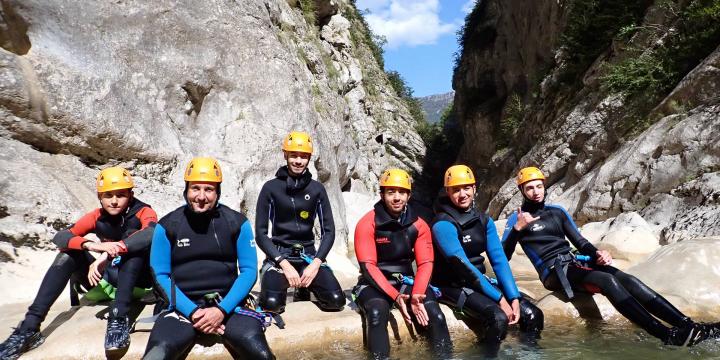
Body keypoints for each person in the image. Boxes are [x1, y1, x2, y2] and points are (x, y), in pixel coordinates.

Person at [502, 166, 720, 346]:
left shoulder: (557, 212)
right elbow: (503, 256)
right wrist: (517, 230)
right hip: (553, 273)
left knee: (628, 279)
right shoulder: (517, 219)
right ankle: (666, 335)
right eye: (529, 188)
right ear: (522, 190)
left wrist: (598, 254)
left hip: (575, 264)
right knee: (606, 280)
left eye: (539, 186)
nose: (536, 191)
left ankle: (688, 325)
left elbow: (580, 242)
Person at [0, 167, 157, 359]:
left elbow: (150, 233)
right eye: (108, 195)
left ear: (131, 195)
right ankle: (29, 328)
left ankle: (119, 318)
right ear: (100, 196)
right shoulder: (96, 216)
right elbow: (62, 236)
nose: (114, 201)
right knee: (67, 254)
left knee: (134, 251)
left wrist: (114, 249)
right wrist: (93, 246)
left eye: (121, 195)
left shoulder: (143, 211)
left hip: (138, 280)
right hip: (109, 278)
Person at [143, 157, 274, 360]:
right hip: (180, 309)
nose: (201, 196)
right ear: (186, 190)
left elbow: (248, 272)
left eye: (209, 189)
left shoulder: (236, 223)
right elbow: (159, 275)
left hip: (229, 307)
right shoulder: (168, 226)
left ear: (218, 192)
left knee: (261, 355)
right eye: (195, 188)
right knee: (156, 356)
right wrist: (193, 311)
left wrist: (221, 310)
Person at [431, 165, 543, 356]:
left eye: (467, 188)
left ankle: (528, 354)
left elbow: (499, 261)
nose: (462, 194)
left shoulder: (483, 220)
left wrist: (513, 297)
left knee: (533, 315)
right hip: (452, 285)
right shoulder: (442, 224)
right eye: (456, 190)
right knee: (498, 319)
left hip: (477, 281)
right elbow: (464, 267)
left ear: (474, 189)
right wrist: (500, 299)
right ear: (447, 192)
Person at [353, 169, 452, 359]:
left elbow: (425, 263)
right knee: (376, 315)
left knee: (436, 317)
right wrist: (395, 296)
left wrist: (417, 295)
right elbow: (368, 267)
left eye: (402, 192)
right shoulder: (367, 224)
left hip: (407, 281)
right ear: (382, 194)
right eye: (391, 192)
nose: (397, 198)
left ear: (409, 195)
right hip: (373, 283)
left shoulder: (419, 225)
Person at [255, 131, 345, 315]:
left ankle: (303, 289)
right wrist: (283, 264)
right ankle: (269, 276)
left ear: (309, 158)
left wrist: (316, 263)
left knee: (336, 301)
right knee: (271, 305)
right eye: (294, 155)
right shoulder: (270, 188)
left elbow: (329, 231)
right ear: (285, 155)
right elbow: (261, 234)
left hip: (309, 257)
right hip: (280, 256)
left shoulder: (317, 189)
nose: (298, 161)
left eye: (303, 156)